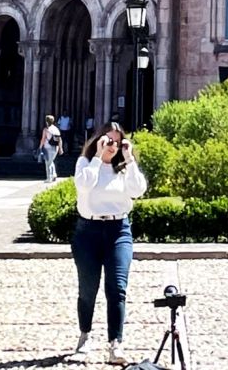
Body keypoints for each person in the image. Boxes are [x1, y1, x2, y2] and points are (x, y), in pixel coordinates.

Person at [70, 121, 147, 365]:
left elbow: (138, 191)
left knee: (117, 288)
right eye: (108, 141)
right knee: (88, 290)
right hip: (88, 231)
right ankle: (85, 337)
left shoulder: (123, 169)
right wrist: (97, 158)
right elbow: (83, 185)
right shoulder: (85, 164)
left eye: (117, 142)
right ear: (98, 140)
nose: (113, 146)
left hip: (118, 231)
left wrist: (130, 158)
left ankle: (116, 343)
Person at [39, 115, 63, 183]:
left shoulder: (46, 129)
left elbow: (43, 139)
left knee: (47, 163)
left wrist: (40, 147)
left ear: (46, 121)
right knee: (51, 161)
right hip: (56, 148)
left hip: (48, 148)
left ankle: (49, 178)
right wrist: (61, 148)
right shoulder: (56, 129)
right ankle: (54, 175)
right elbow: (60, 140)